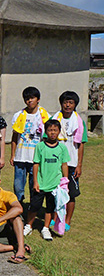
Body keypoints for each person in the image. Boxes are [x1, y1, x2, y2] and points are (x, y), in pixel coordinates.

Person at [24, 120, 69, 241]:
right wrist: (36, 181)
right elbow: (36, 165)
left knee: (50, 207)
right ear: (46, 131)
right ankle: (28, 225)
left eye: (55, 130)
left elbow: (64, 165)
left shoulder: (62, 148)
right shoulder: (40, 146)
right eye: (50, 130)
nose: (52, 133)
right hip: (41, 183)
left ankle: (46, 228)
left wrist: (65, 182)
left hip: (55, 185)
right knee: (34, 205)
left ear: (59, 132)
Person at [51, 91, 87, 230]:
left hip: (71, 162)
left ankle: (67, 220)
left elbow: (81, 144)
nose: (67, 105)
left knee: (71, 193)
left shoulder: (79, 122)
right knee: (55, 191)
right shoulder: (54, 119)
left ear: (75, 105)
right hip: (56, 162)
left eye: (71, 102)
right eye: (65, 102)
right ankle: (55, 217)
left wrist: (79, 165)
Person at [10, 86, 49, 202]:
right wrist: (13, 155)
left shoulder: (44, 116)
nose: (29, 101)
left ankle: (32, 210)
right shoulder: (18, 115)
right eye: (27, 98)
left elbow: (47, 139)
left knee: (35, 186)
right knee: (18, 187)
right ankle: (18, 210)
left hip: (35, 159)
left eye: (32, 98)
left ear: (38, 99)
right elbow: (14, 136)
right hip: (20, 157)